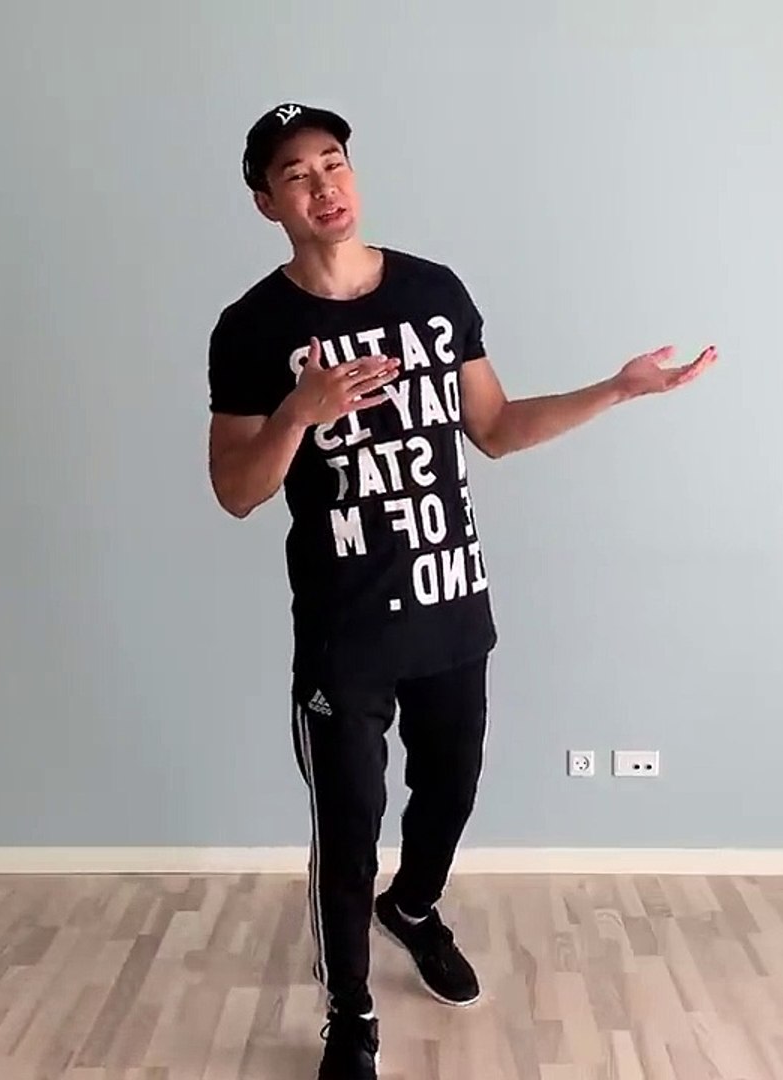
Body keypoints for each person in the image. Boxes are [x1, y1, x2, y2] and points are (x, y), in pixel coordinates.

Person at [205, 102, 716, 1080]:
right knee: (347, 832)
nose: (323, 186)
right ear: (267, 202)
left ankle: (414, 907)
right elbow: (236, 490)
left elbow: (497, 427)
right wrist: (300, 413)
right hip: (345, 631)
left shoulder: (433, 293)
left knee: (450, 793)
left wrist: (617, 390)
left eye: (333, 162)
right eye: (296, 174)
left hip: (452, 606)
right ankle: (351, 1017)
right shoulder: (253, 328)